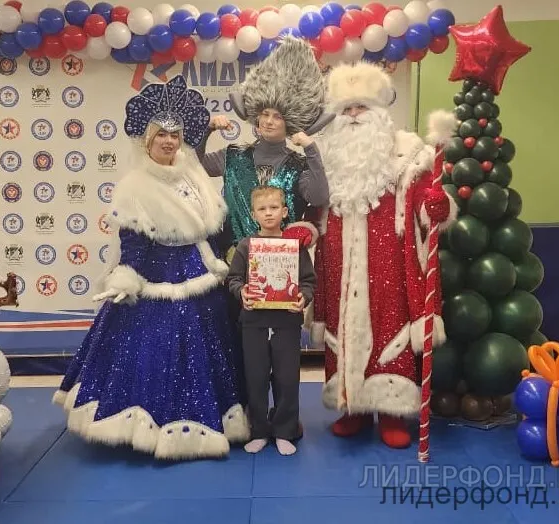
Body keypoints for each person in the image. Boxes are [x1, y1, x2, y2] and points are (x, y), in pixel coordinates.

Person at [52, 75, 249, 460]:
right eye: (161, 135)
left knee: (205, 353)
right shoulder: (134, 186)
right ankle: (147, 428)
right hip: (157, 277)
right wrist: (126, 277)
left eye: (175, 136)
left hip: (200, 274)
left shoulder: (193, 175)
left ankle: (208, 423)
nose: (169, 142)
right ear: (147, 140)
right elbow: (133, 241)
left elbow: (207, 229)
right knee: (154, 350)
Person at [310, 62, 459, 449]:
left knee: (390, 327)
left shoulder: (406, 155)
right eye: (346, 109)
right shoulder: (324, 157)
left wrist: (437, 206)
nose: (353, 115)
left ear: (378, 111)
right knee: (343, 331)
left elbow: (426, 202)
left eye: (361, 107)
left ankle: (392, 412)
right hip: (338, 262)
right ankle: (352, 408)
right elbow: (312, 207)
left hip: (389, 261)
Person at [195, 36, 332, 259]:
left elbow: (318, 197)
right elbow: (195, 166)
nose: (268, 121)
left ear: (290, 122)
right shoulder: (233, 155)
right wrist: (206, 130)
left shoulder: (299, 165)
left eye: (277, 116)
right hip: (234, 260)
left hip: (283, 263)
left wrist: (311, 149)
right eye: (265, 114)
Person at [226, 186, 317, 456]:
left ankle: (285, 430)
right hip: (254, 323)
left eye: (274, 208)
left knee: (287, 379)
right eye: (262, 209)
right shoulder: (246, 246)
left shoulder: (295, 248)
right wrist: (241, 292)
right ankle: (259, 430)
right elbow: (233, 279)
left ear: (285, 212)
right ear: (253, 214)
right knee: (255, 379)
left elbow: (308, 282)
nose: (268, 213)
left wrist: (303, 297)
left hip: (286, 323)